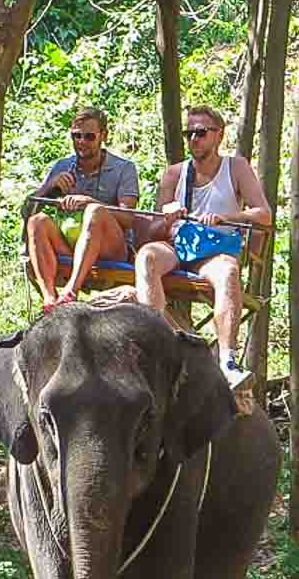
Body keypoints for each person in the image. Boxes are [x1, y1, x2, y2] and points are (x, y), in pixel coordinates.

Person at [132, 106, 272, 389]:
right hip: (179, 245)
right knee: (147, 256)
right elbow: (155, 228)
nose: (194, 139)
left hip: (215, 250)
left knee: (229, 271)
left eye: (201, 132)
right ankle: (156, 345)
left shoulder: (237, 167)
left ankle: (227, 359)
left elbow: (264, 214)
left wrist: (226, 217)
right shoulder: (174, 174)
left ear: (218, 136)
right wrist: (167, 215)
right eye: (189, 133)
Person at [24, 107, 140, 306]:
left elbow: (128, 218)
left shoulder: (124, 168)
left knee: (95, 211)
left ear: (103, 136)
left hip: (111, 248)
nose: (81, 142)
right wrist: (48, 188)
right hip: (71, 245)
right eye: (76, 136)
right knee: (37, 222)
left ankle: (71, 290)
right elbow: (26, 212)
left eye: (89, 137)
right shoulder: (62, 166)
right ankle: (49, 299)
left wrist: (90, 202)